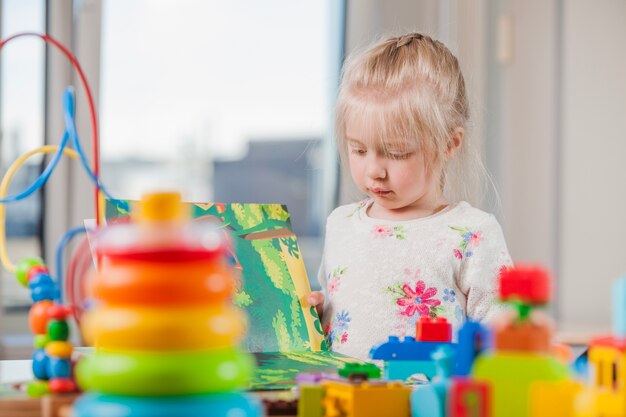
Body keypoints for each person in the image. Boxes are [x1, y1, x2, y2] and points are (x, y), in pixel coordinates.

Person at [307, 32, 512, 361]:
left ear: (449, 144)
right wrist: (315, 317)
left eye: (397, 153)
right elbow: (339, 315)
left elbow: (504, 333)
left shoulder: (472, 233)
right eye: (358, 149)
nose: (374, 170)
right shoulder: (340, 223)